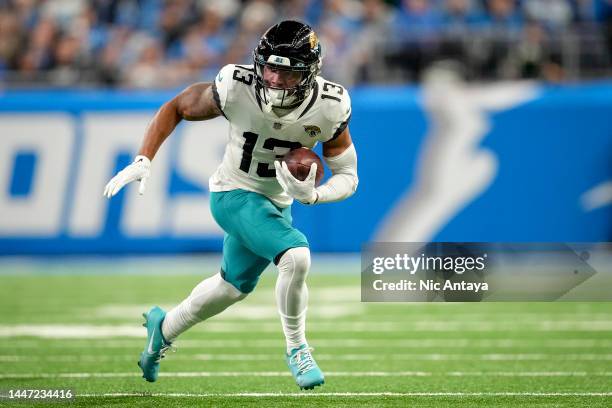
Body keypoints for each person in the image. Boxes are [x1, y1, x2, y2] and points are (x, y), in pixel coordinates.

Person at [103, 20, 358, 390]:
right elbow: (177, 106)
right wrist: (144, 159)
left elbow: (348, 176)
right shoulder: (236, 86)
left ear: (309, 73)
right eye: (269, 67)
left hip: (275, 203)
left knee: (231, 287)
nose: (274, 79)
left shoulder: (330, 106)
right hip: (232, 193)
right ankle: (298, 348)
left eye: (287, 73)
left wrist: (315, 195)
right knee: (296, 256)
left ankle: (163, 328)